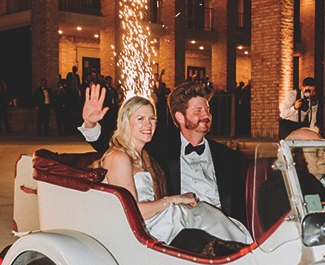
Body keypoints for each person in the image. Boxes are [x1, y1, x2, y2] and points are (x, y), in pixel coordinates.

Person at [79, 79, 248, 226]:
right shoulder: (160, 143)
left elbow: (241, 204)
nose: (207, 115)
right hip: (183, 224)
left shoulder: (228, 156)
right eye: (198, 111)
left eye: (207, 110)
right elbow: (120, 143)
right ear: (180, 117)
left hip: (222, 223)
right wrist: (90, 124)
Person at [100, 95, 251, 247]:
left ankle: (241, 249)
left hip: (159, 218)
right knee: (201, 214)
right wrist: (174, 199)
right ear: (126, 122)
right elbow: (130, 212)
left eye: (152, 119)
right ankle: (241, 252)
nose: (148, 124)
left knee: (205, 213)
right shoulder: (119, 157)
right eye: (140, 119)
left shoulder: (145, 156)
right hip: (145, 227)